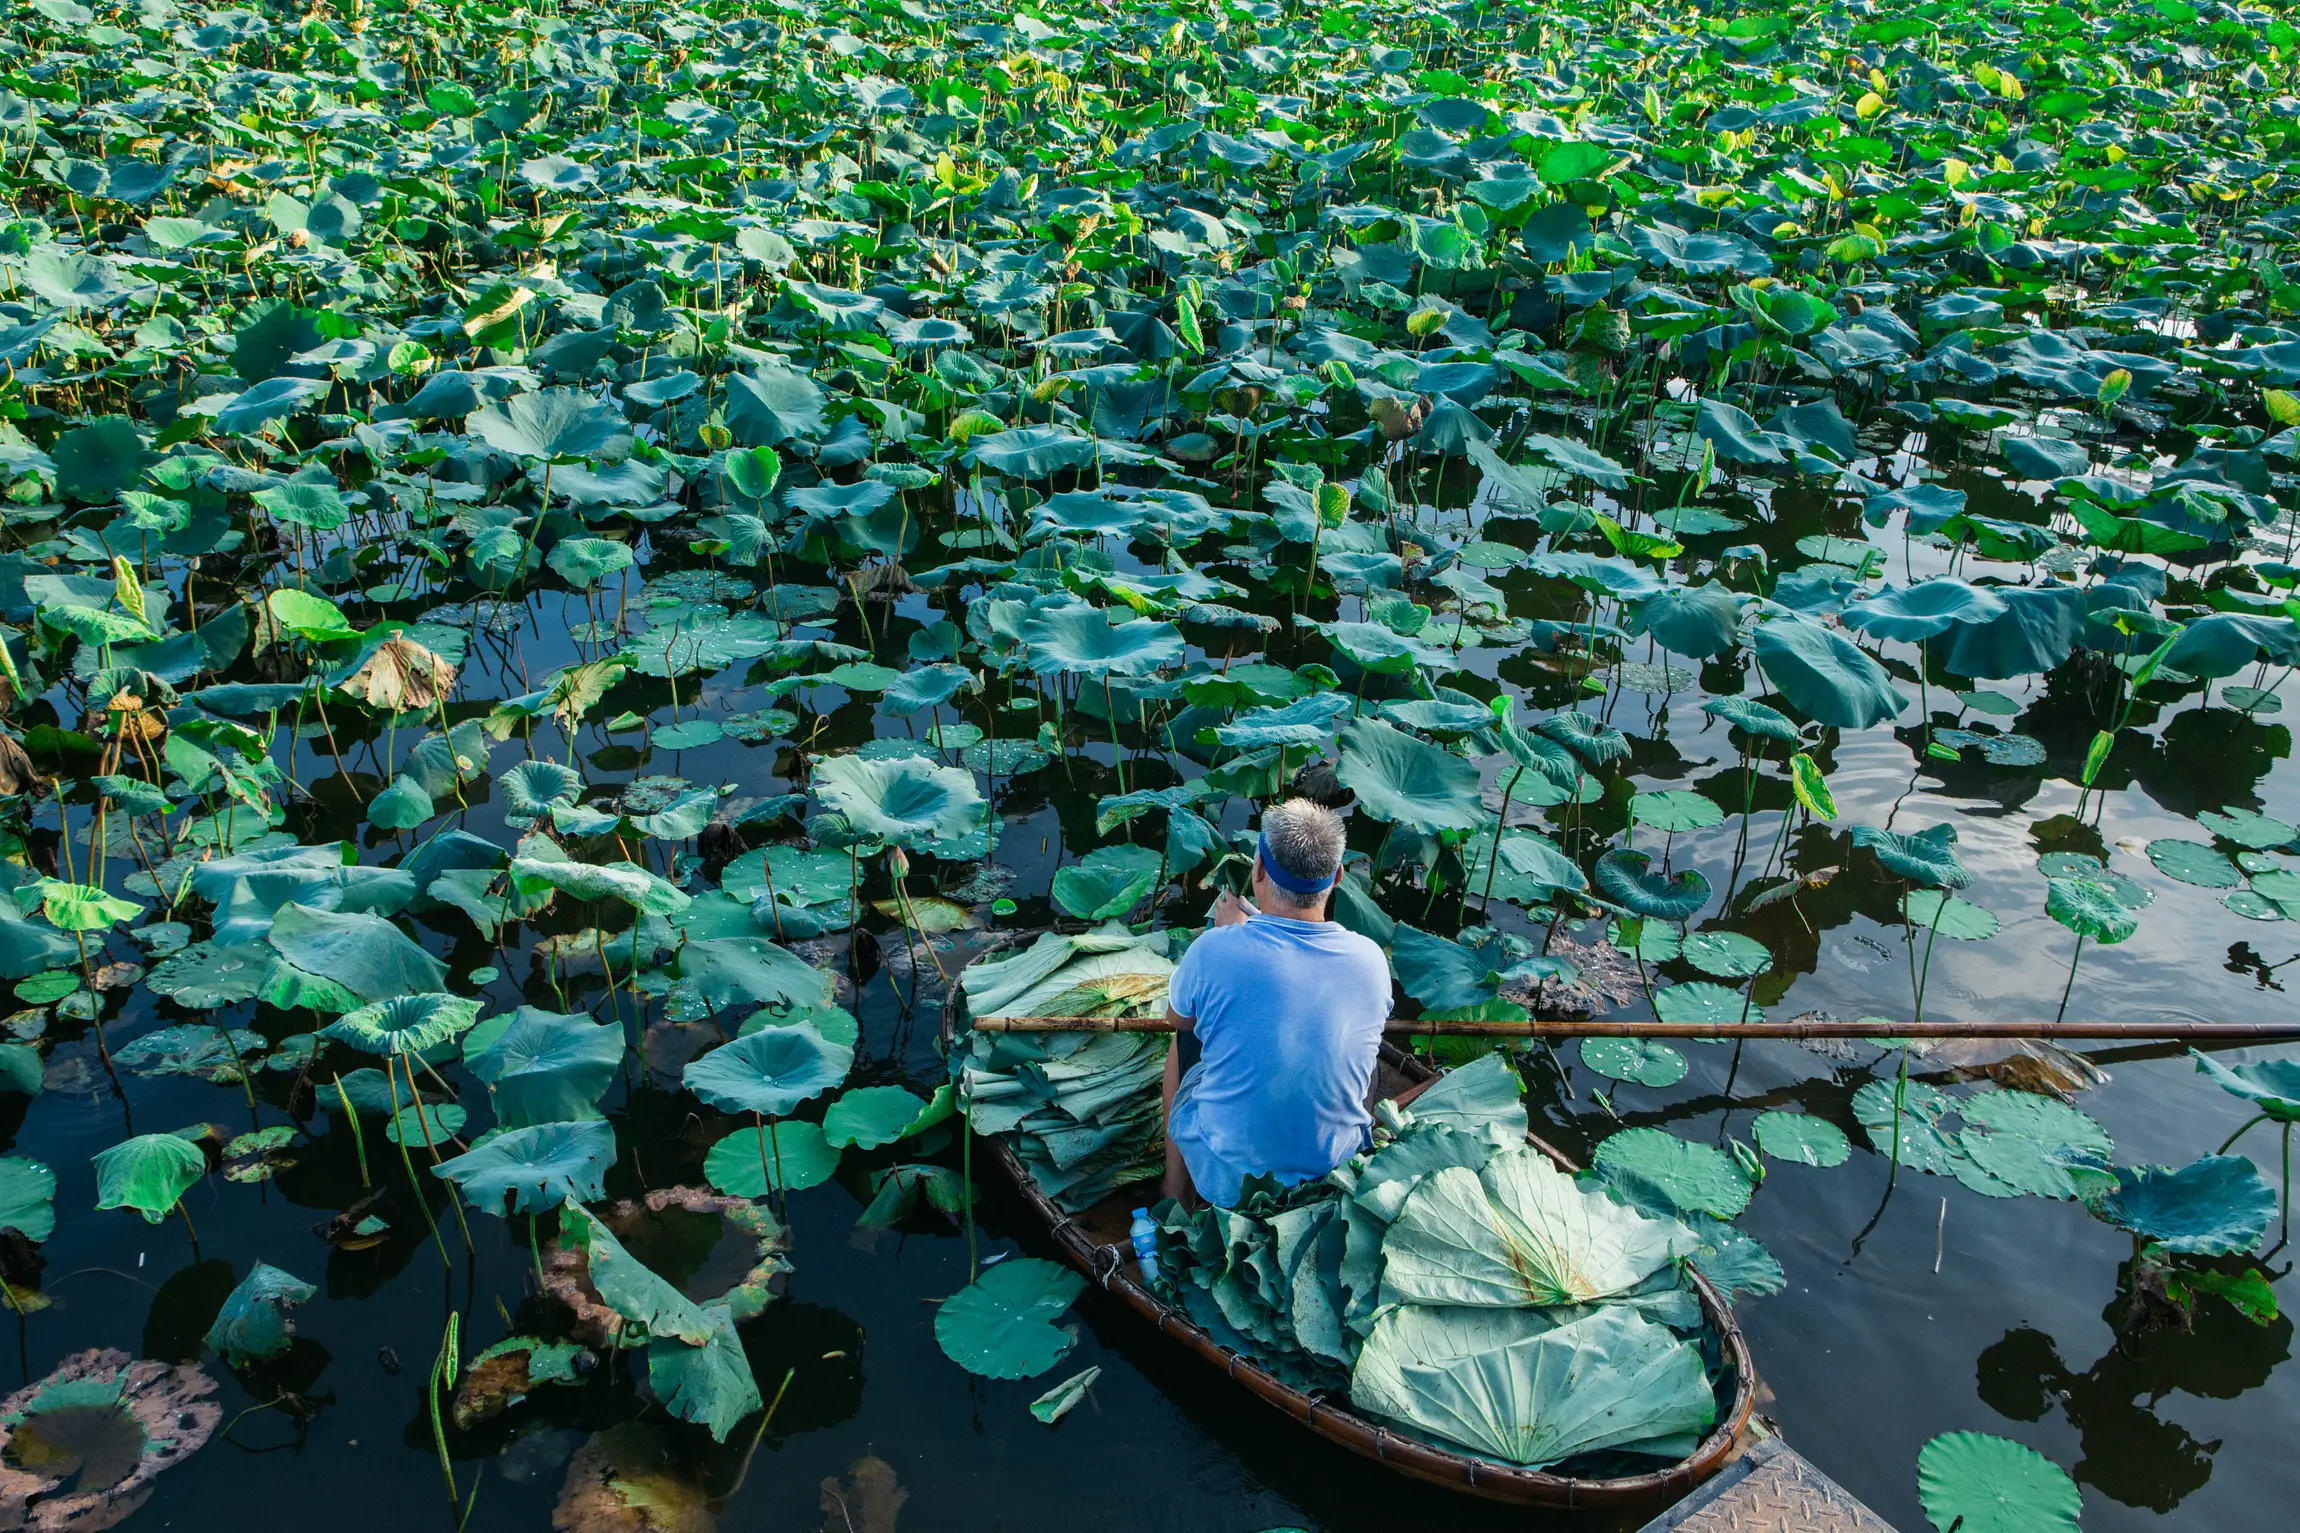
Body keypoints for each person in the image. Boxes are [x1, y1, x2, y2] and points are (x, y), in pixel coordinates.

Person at [1159, 798, 1394, 1209]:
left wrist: (1231, 933)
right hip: (1332, 1168)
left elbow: (1175, 1019)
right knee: (1363, 1051)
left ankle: (1175, 1191)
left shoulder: (1215, 949)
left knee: (1184, 1041)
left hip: (1229, 1182)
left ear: (1259, 870)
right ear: (1337, 876)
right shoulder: (1371, 959)